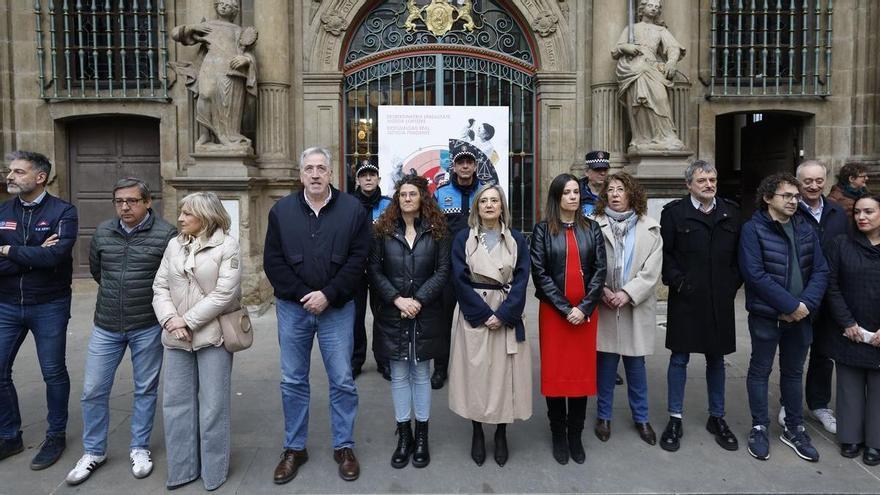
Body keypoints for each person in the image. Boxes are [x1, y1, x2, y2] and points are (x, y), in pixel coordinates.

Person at [264, 147, 370, 484]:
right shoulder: (281, 211)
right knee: (293, 380)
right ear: (300, 174)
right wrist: (302, 295)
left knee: (341, 380)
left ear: (331, 173)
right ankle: (295, 448)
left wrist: (329, 294)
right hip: (293, 310)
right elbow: (273, 261)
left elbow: (359, 259)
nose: (314, 174)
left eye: (321, 168)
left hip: (337, 310)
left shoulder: (353, 209)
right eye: (308, 168)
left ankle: (344, 445)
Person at [64, 178, 176, 485]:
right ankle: (93, 451)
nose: (125, 207)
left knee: (145, 389)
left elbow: (172, 280)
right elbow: (98, 271)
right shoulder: (103, 231)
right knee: (93, 390)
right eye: (119, 202)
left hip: (147, 325)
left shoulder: (166, 234)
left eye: (132, 201)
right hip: (107, 324)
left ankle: (139, 447)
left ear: (147, 202)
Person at [152, 192, 241, 490]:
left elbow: (224, 295)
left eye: (187, 214)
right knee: (175, 404)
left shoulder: (227, 246)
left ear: (205, 216)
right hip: (176, 337)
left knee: (213, 406)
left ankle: (213, 472)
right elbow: (160, 286)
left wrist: (186, 321)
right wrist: (169, 320)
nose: (180, 219)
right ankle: (182, 469)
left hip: (212, 336)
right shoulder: (174, 245)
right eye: (181, 212)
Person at [739, 172, 829, 463]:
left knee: (793, 373)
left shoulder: (805, 227)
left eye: (796, 196)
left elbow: (821, 270)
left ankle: (793, 428)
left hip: (801, 316)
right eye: (787, 196)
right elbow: (754, 274)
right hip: (767, 316)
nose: (793, 201)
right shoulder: (753, 229)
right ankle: (759, 426)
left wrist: (805, 305)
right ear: (768, 198)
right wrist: (789, 304)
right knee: (760, 370)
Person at [0, 151, 78, 470]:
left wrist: (8, 250)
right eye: (11, 171)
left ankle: (56, 435)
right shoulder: (3, 211)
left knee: (52, 372)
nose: (10, 176)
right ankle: (9, 436)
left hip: (50, 304)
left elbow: (56, 257)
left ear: (40, 177)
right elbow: (38, 259)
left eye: (19, 172)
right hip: (6, 304)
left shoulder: (64, 211)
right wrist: (34, 254)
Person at [658, 160, 741, 453]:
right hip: (686, 299)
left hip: (719, 300)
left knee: (716, 360)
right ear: (689, 185)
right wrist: (679, 282)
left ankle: (716, 417)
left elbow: (739, 259)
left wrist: (730, 286)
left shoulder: (731, 212)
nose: (709, 184)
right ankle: (675, 418)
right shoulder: (674, 214)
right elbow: (665, 255)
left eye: (712, 179)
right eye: (702, 180)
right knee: (679, 359)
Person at [369, 174, 450, 469]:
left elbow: (443, 271)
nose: (406, 199)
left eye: (412, 194)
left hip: (425, 312)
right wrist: (398, 299)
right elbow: (375, 271)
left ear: (422, 198)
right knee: (399, 374)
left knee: (421, 374)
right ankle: (404, 434)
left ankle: (422, 437)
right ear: (397, 198)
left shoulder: (437, 229)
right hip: (394, 312)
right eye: (402, 194)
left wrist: (418, 300)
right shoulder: (383, 230)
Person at [450, 184, 532, 467]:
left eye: (494, 200)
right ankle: (476, 431)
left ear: (502, 206)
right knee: (476, 377)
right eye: (483, 201)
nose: (488, 205)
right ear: (476, 207)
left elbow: (522, 280)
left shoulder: (517, 239)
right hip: (476, 315)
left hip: (506, 315)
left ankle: (500, 433)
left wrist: (505, 314)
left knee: (504, 379)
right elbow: (459, 280)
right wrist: (484, 314)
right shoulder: (463, 238)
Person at [530, 174, 606, 465]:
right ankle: (558, 434)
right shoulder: (542, 231)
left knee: (580, 375)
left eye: (576, 192)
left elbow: (600, 271)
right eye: (567, 192)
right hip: (554, 314)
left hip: (585, 316)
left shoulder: (593, 229)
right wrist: (566, 309)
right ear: (557, 197)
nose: (573, 197)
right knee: (556, 375)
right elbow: (541, 274)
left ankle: (575, 434)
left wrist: (584, 308)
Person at [776, 160, 848, 434]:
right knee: (794, 354)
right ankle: (788, 403)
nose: (814, 186)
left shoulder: (837, 213)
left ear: (826, 181)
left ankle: (819, 404)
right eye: (808, 181)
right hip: (799, 297)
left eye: (819, 180)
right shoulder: (790, 212)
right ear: (798, 182)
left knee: (823, 352)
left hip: (830, 295)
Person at [592, 172, 663, 446]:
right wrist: (603, 291)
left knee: (636, 367)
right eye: (610, 190)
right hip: (605, 304)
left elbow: (651, 271)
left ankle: (642, 418)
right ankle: (604, 416)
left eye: (621, 189)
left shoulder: (650, 228)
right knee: (606, 367)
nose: (615, 194)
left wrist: (627, 293)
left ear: (632, 193)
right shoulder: (593, 225)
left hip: (635, 306)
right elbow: (587, 266)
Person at [824, 194, 880, 466]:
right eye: (857, 212)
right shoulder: (841, 244)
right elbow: (832, 286)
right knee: (849, 387)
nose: (861, 217)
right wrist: (847, 323)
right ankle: (850, 438)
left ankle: (875, 443)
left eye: (869, 211)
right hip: (850, 328)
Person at [432, 143, 486, 389]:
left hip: (479, 269)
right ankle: (440, 369)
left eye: (469, 162)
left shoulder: (487, 192)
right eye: (460, 162)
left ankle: (476, 370)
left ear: (475, 166)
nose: (465, 166)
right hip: (447, 269)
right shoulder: (441, 194)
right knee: (442, 321)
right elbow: (432, 231)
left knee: (478, 320)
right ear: (453, 166)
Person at [171, 0, 257, 149]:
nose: (224, 6)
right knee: (205, 95)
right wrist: (193, 27)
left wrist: (246, 59)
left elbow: (246, 52)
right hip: (210, 66)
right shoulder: (208, 25)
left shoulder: (238, 30)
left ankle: (230, 136)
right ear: (216, 6)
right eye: (221, 3)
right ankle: (205, 134)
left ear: (234, 10)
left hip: (231, 70)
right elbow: (175, 34)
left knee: (227, 104)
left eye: (228, 5)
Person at [612, 0, 686, 154]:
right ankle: (641, 139)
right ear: (642, 8)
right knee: (639, 106)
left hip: (652, 68)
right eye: (651, 5)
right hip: (634, 69)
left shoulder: (661, 30)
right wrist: (628, 47)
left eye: (657, 7)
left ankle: (666, 137)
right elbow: (616, 50)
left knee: (660, 100)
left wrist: (672, 62)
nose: (654, 9)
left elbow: (673, 47)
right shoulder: (631, 29)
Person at [350, 160, 392, 380]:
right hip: (355, 269)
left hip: (382, 268)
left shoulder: (389, 205)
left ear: (378, 179)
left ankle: (384, 361)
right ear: (357, 180)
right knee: (355, 317)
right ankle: (356, 361)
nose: (368, 178)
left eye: (372, 175)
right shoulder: (347, 205)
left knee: (383, 315)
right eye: (363, 175)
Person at [580, 151, 611, 217]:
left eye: (605, 169)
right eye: (598, 169)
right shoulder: (577, 192)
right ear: (586, 172)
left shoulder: (613, 193)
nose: (602, 173)